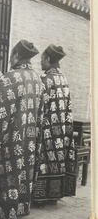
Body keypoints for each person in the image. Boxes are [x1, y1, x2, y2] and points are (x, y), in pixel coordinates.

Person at [0, 39, 43, 219]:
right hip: (28, 138)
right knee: (22, 172)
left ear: (15, 55)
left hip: (9, 138)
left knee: (4, 173)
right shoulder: (37, 78)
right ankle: (20, 208)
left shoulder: (11, 77)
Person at [32, 45, 76, 207]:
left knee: (44, 161)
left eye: (42, 58)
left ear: (48, 59)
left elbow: (39, 106)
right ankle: (54, 195)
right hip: (61, 131)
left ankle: (40, 196)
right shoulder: (64, 79)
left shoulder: (45, 80)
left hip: (47, 131)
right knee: (57, 161)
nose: (41, 62)